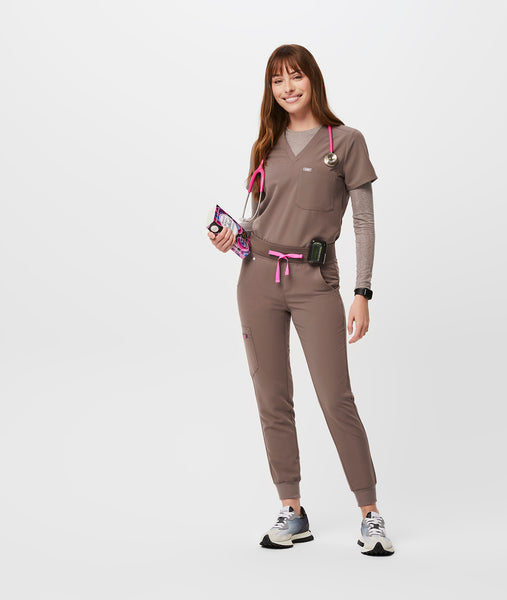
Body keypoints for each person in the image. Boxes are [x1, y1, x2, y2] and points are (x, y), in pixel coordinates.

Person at [207, 44, 394, 556]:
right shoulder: (265, 145)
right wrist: (233, 236)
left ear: (313, 79)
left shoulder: (346, 142)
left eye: (295, 77)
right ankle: (292, 509)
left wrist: (362, 292)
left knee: (336, 398)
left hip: (315, 281)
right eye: (277, 80)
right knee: (272, 397)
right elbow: (257, 217)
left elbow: (363, 223)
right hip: (257, 278)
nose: (287, 88)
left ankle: (370, 513)